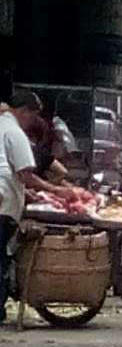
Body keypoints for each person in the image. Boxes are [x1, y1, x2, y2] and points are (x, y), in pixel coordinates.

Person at [0, 89, 75, 321]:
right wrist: (56, 190)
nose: (33, 121)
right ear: (23, 111)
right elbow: (25, 174)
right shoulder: (14, 132)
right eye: (33, 116)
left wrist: (27, 193)